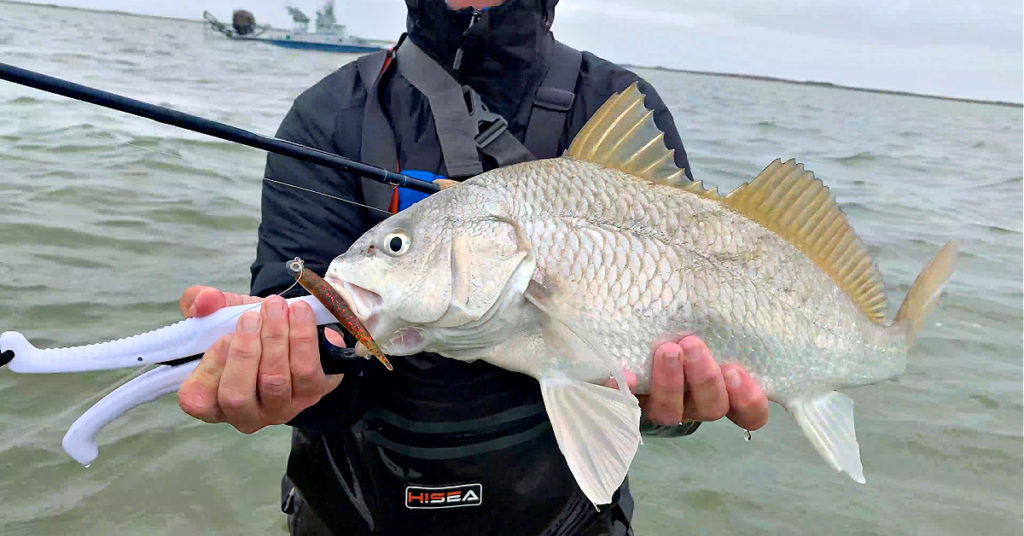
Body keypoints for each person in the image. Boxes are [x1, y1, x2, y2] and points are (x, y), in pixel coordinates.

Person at [177, 0, 770, 534]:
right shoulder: (329, 113)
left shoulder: (614, 103)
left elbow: (685, 323)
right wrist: (285, 376)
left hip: (565, 516)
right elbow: (295, 310)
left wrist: (670, 412)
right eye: (397, 249)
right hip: (351, 506)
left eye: (396, 249)